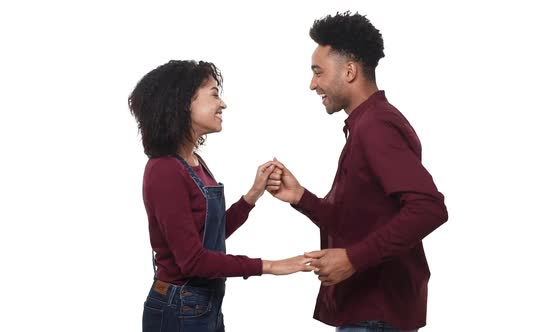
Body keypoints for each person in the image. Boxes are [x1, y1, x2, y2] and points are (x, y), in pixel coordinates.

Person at [266, 12, 448, 332]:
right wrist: (302, 198)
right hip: (368, 313)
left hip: (375, 315)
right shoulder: (366, 125)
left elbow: (429, 208)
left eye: (318, 72)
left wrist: (353, 259)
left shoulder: (376, 125)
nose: (312, 84)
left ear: (349, 71)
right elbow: (359, 222)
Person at [128, 60, 313, 332]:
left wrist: (253, 194)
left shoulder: (194, 162)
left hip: (202, 305)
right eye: (214, 94)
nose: (222, 104)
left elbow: (210, 236)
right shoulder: (165, 170)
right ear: (182, 103)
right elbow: (192, 260)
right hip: (179, 308)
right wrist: (271, 266)